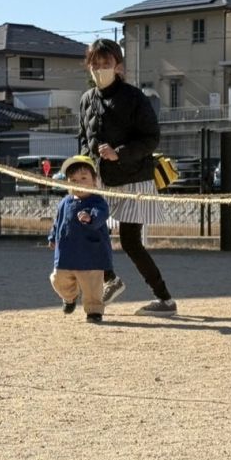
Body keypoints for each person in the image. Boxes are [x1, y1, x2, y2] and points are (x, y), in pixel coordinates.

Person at [78, 38, 176, 317]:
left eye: (106, 63)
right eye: (95, 64)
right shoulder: (86, 100)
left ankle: (164, 298)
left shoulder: (134, 97)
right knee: (90, 229)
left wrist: (119, 153)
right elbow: (83, 139)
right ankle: (111, 280)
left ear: (118, 65)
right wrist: (81, 168)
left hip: (134, 178)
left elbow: (151, 138)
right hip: (100, 181)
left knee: (131, 241)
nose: (100, 69)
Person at [47, 155, 112, 324]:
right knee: (58, 278)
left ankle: (94, 311)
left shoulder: (98, 201)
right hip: (67, 253)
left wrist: (90, 218)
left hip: (92, 254)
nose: (79, 183)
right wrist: (53, 237)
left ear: (94, 180)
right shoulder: (64, 202)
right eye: (73, 179)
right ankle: (69, 297)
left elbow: (101, 215)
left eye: (84, 178)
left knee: (92, 287)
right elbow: (58, 222)